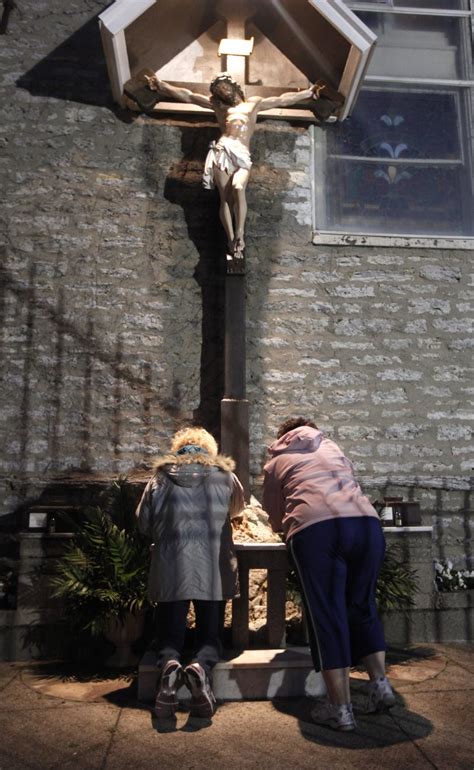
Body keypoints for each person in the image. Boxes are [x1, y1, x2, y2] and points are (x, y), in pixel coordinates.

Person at [262, 417, 395, 732]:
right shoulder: (333, 447)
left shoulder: (277, 459)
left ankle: (340, 709)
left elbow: (273, 513)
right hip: (366, 525)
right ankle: (380, 687)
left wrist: (283, 527)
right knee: (362, 606)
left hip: (317, 531)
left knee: (327, 614)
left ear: (284, 436)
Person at [145, 72, 324, 258]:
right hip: (223, 150)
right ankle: (231, 240)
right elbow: (188, 96)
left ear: (234, 87)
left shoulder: (253, 103)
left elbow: (282, 100)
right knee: (225, 199)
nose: (223, 93)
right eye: (219, 91)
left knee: (238, 187)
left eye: (224, 88)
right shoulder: (219, 107)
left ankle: (240, 232)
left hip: (241, 153)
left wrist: (308, 93)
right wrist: (160, 85)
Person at [135, 426, 244, 720]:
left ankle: (170, 667)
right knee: (210, 637)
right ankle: (201, 667)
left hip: (171, 565)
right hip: (212, 567)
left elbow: (143, 522)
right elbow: (236, 510)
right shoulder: (224, 475)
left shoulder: (160, 478)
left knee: (169, 635)